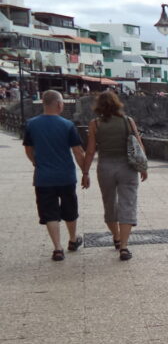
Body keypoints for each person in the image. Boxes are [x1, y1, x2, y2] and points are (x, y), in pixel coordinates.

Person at [23, 90, 90, 261]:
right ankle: (73, 240)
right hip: (66, 175)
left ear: (44, 104)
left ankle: (57, 248)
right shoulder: (67, 125)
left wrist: (35, 162)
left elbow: (28, 149)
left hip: (43, 177)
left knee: (49, 212)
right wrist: (85, 172)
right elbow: (77, 151)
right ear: (59, 104)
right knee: (70, 208)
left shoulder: (31, 124)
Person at [82, 91, 148, 261]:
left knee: (109, 204)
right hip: (128, 167)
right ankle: (124, 248)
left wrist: (85, 172)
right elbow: (138, 145)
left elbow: (90, 151)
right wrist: (144, 167)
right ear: (117, 103)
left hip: (105, 168)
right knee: (128, 204)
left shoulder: (94, 124)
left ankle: (116, 238)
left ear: (99, 106)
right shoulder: (128, 121)